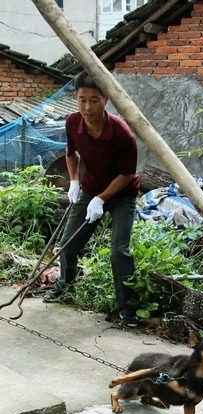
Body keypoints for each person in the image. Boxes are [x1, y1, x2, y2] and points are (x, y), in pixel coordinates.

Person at [43, 72, 140, 327]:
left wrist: (101, 199)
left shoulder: (122, 133)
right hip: (90, 188)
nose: (87, 107)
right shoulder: (72, 122)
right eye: (82, 99)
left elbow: (126, 174)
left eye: (94, 100)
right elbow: (70, 153)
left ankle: (128, 311)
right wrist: (74, 181)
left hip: (122, 194)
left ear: (105, 99)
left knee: (119, 252)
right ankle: (65, 286)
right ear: (75, 98)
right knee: (67, 245)